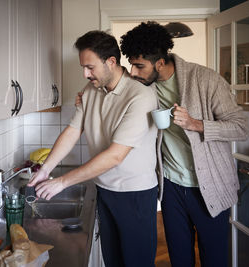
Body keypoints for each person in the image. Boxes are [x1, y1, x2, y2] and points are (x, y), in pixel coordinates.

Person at [117, 21, 249, 267]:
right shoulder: (145, 86)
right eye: (131, 65)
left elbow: (241, 128)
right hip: (171, 187)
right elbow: (114, 84)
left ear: (159, 63)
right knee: (179, 258)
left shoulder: (206, 79)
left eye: (138, 66)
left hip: (209, 184)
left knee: (214, 259)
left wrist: (195, 124)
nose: (133, 72)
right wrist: (89, 95)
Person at [28, 30, 159, 267]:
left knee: (136, 262)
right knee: (113, 261)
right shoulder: (90, 91)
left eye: (90, 67)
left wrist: (62, 182)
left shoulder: (140, 96)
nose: (85, 74)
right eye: (83, 67)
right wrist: (46, 170)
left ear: (111, 62)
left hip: (135, 195)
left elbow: (115, 155)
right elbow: (72, 131)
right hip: (104, 191)